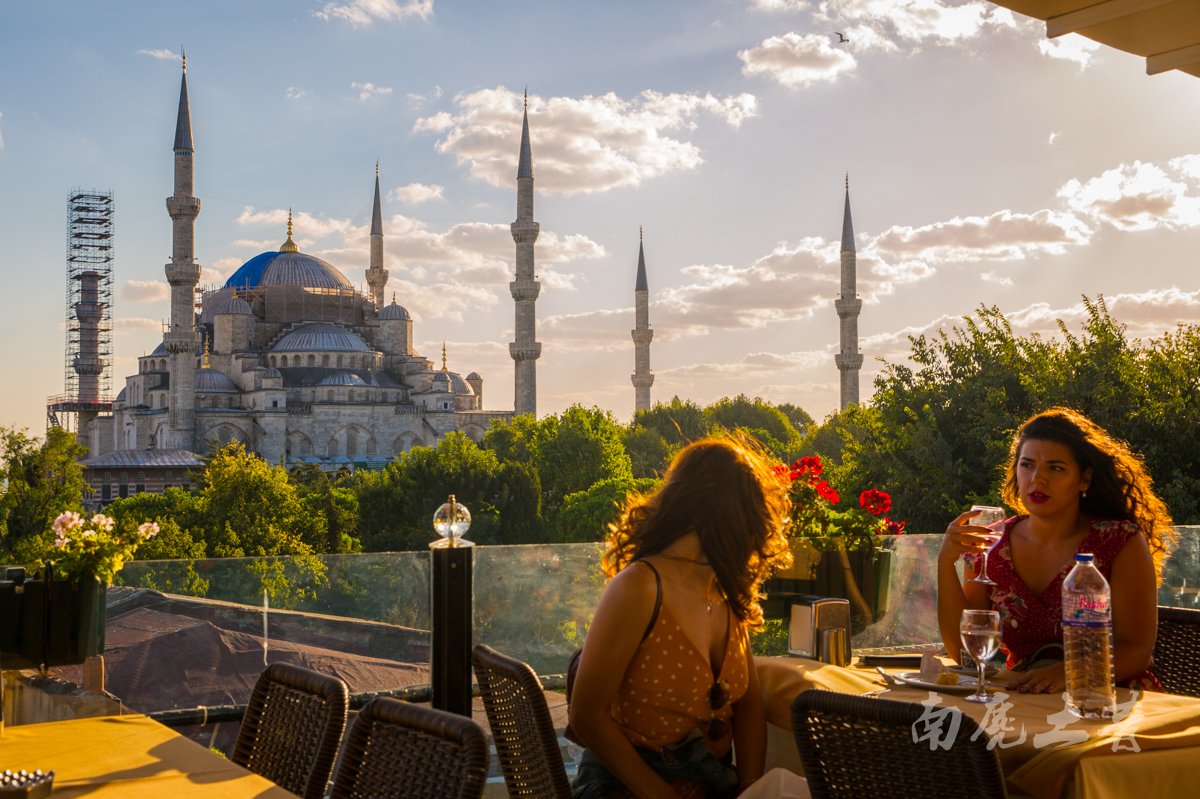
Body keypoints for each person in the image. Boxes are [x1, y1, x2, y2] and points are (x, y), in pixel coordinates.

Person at [569, 436, 792, 799]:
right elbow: (586, 716)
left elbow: (749, 704)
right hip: (628, 787)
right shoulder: (639, 588)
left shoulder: (722, 591)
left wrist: (751, 790)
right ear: (724, 516)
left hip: (713, 783)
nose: (756, 539)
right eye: (751, 520)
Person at [938, 408, 1172, 694]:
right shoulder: (991, 545)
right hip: (1027, 700)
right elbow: (963, 653)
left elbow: (1135, 649)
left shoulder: (1119, 541)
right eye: (1027, 465)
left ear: (1084, 479)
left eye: (1055, 467)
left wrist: (1069, 673)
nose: (1038, 479)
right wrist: (945, 563)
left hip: (1111, 700)